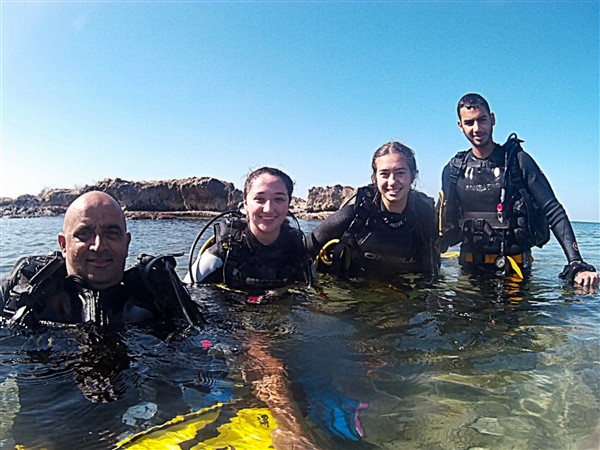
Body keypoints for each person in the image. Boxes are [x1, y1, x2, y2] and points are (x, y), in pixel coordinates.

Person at [438, 93, 597, 287]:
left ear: (492, 119)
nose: (477, 128)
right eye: (469, 123)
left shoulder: (518, 162)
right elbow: (441, 222)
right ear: (460, 126)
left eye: (482, 120)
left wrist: (576, 263)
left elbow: (553, 210)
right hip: (469, 275)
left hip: (515, 275)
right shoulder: (453, 170)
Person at [0, 191, 201, 328]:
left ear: (127, 242)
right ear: (63, 244)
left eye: (112, 233)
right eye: (84, 233)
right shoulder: (25, 288)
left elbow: (207, 347)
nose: (99, 245)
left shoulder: (157, 294)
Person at [306, 141, 440, 282]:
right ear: (374, 178)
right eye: (384, 174)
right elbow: (301, 249)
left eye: (400, 173)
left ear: (412, 176)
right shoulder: (355, 215)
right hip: (350, 295)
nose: (392, 181)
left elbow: (433, 269)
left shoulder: (426, 218)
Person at [185, 166, 313, 297]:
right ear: (245, 204)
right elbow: (184, 293)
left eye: (279, 199)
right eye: (259, 199)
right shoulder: (224, 251)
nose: (268, 209)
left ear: (288, 204)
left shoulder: (298, 250)